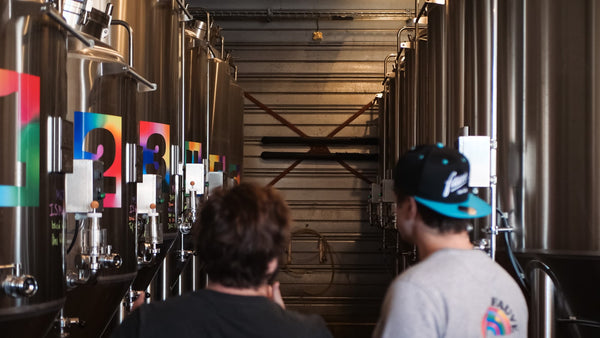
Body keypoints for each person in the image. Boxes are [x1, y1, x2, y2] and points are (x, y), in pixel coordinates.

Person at [112, 183, 332, 338]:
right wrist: (280, 321)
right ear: (272, 262)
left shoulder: (148, 324)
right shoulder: (309, 332)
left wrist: (141, 322)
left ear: (204, 248)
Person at [372, 144, 528, 338]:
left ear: (411, 207)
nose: (394, 211)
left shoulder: (415, 291)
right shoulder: (506, 285)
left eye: (397, 204)